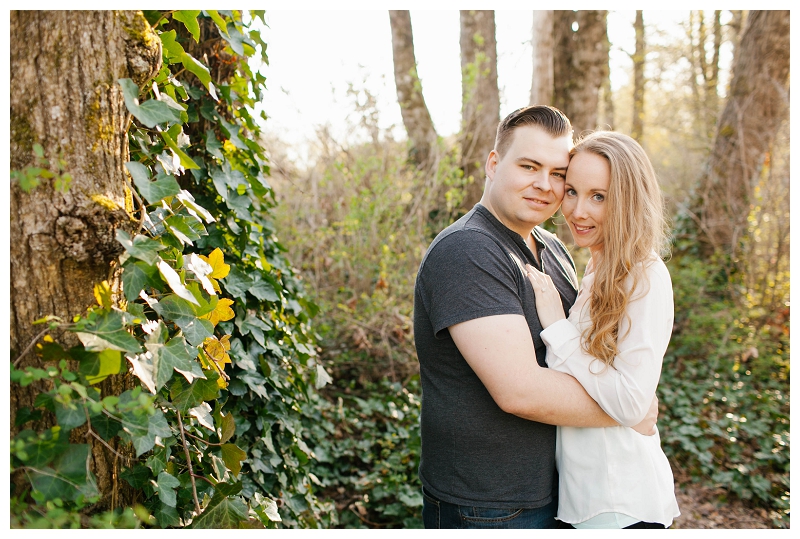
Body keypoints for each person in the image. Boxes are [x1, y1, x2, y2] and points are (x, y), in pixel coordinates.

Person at [413, 105, 658, 530]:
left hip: (559, 493)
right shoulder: (468, 251)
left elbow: (585, 353)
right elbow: (520, 391)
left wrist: (628, 391)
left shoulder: (553, 248)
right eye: (529, 166)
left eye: (558, 173)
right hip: (489, 502)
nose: (544, 185)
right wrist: (628, 408)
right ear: (494, 164)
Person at [524, 130, 680, 528]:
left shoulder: (644, 275)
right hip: (583, 499)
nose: (577, 211)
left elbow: (630, 403)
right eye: (572, 191)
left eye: (599, 196)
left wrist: (557, 326)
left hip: (619, 503)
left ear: (628, 200)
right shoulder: (596, 269)